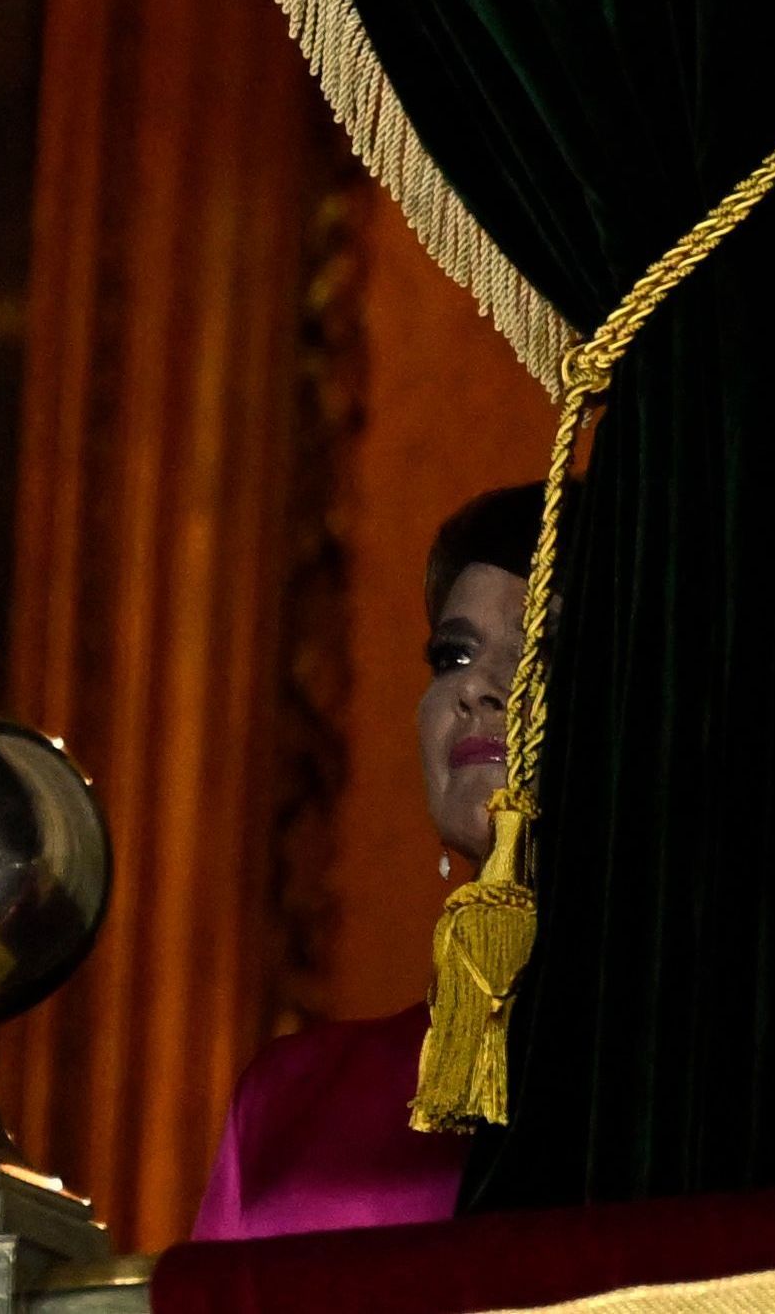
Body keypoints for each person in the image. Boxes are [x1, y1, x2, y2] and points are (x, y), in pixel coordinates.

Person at [189, 483, 538, 1239]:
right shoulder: (291, 1101)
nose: (476, 687)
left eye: (537, 646)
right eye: (453, 654)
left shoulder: (714, 1070)